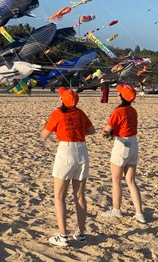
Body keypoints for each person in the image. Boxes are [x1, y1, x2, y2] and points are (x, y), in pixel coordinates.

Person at [39, 86, 95, 248]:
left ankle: (63, 235)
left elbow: (43, 135)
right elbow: (91, 130)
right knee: (79, 195)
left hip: (66, 151)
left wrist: (44, 124)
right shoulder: (80, 113)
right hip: (82, 151)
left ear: (62, 100)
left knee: (59, 196)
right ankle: (81, 234)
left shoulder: (57, 113)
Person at [100, 84, 145, 223]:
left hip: (122, 145)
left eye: (119, 93)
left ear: (122, 97)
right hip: (133, 144)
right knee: (131, 181)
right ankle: (139, 213)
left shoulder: (118, 111)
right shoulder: (133, 110)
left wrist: (104, 132)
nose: (117, 94)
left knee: (116, 180)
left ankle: (116, 210)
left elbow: (106, 131)